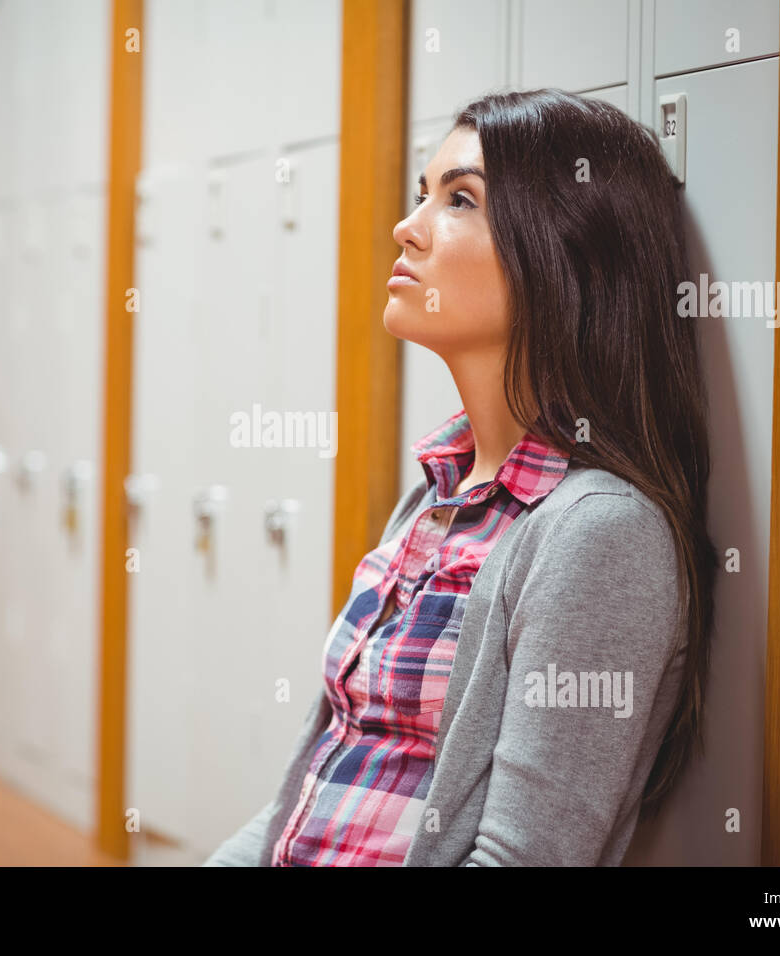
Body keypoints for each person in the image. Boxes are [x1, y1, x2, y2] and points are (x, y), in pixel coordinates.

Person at [203, 88, 717, 866]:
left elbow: (521, 858)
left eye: (461, 199)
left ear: (563, 252)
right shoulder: (434, 495)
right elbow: (302, 798)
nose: (406, 229)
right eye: (422, 195)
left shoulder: (599, 532)